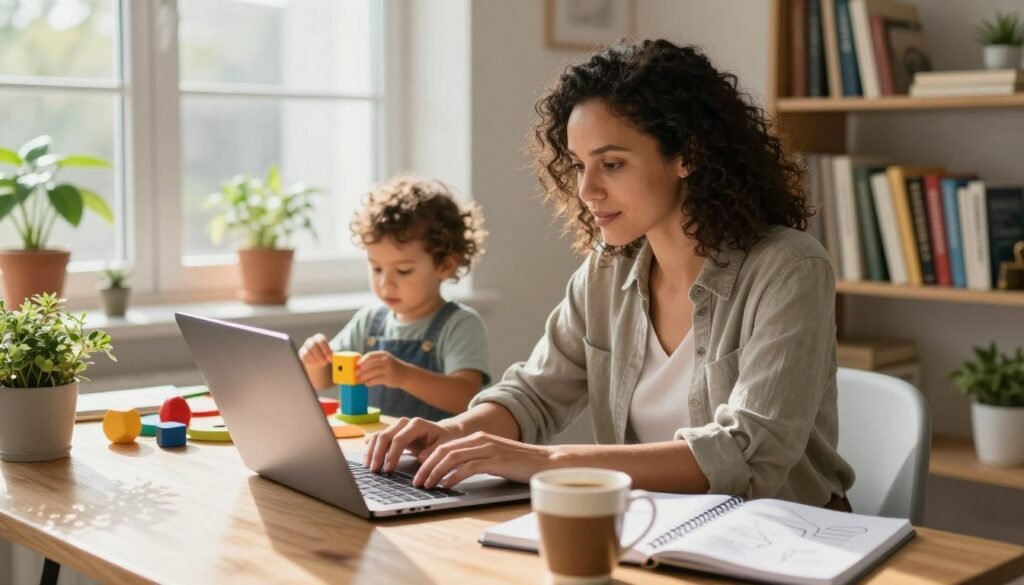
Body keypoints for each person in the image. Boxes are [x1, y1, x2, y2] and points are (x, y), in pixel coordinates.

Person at [363, 39, 856, 509]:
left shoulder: (790, 268)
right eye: (578, 166)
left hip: (781, 538)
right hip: (652, 525)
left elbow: (749, 451)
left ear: (687, 154)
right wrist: (456, 431)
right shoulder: (606, 269)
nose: (586, 190)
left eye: (612, 164)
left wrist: (548, 462)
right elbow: (535, 393)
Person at [299, 175, 492, 421]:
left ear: (445, 265)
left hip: (431, 455)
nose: (385, 283)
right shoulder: (369, 320)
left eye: (403, 271)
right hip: (373, 452)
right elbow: (324, 379)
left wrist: (404, 376)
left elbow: (464, 397)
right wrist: (315, 361)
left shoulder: (460, 325)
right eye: (376, 268)